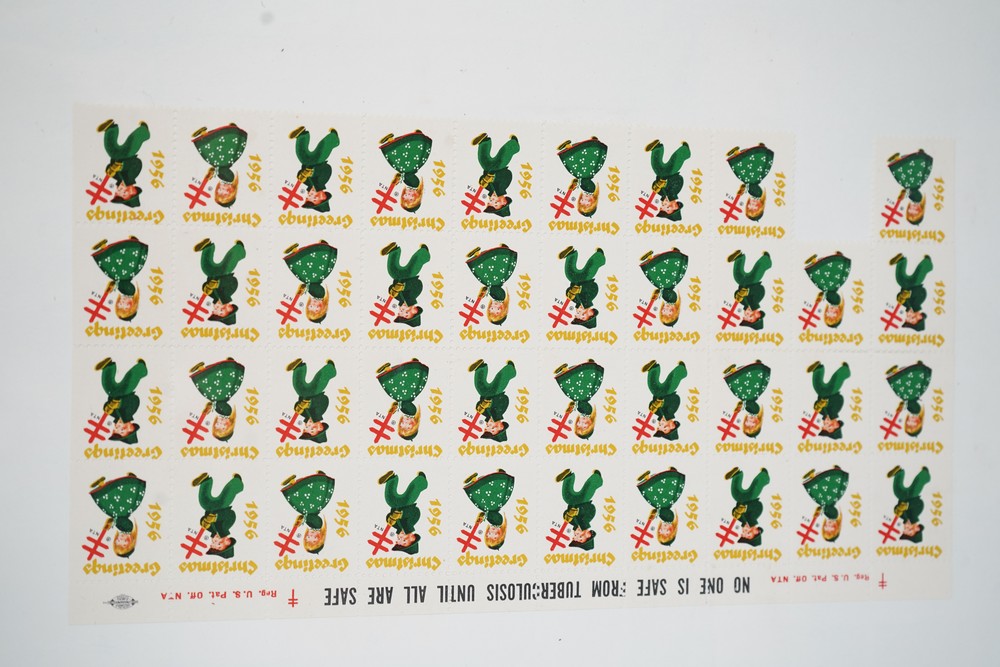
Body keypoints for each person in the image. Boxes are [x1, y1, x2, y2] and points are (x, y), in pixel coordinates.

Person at [91, 237, 149, 321]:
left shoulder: (124, 292)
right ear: (131, 305)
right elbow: (123, 283)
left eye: (118, 306)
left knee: (111, 263)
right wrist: (115, 285)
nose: (120, 303)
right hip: (123, 273)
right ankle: (132, 243)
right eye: (124, 307)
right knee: (114, 261)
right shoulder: (130, 291)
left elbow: (118, 284)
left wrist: (112, 286)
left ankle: (104, 247)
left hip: (120, 275)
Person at [89, 473, 146, 559]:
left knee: (109, 500)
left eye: (117, 542)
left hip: (118, 512)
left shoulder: (122, 529)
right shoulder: (128, 528)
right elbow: (122, 520)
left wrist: (111, 523)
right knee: (115, 497)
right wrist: (114, 522)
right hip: (121, 510)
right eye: (123, 543)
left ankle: (102, 484)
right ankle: (130, 480)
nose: (119, 540)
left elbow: (117, 521)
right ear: (130, 541)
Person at [191, 124, 248, 208]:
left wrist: (212, 173)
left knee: (212, 150)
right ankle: (229, 131)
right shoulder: (230, 178)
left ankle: (205, 135)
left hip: (221, 160)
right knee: (215, 150)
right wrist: (216, 172)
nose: (221, 190)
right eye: (224, 193)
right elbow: (223, 170)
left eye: (218, 192)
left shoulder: (225, 179)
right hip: (224, 159)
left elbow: (218, 170)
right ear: (232, 192)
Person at [96, 119, 150, 208]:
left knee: (111, 149)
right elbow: (137, 163)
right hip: (128, 154)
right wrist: (122, 166)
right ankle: (144, 131)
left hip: (116, 155)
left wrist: (109, 170)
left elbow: (110, 167)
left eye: (117, 193)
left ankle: (110, 128)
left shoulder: (117, 177)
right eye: (124, 193)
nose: (119, 190)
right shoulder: (133, 175)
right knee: (132, 141)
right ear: (132, 191)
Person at [189, 358, 245, 441]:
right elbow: (221, 405)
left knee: (209, 385)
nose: (220, 423)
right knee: (212, 384)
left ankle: (202, 369)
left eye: (217, 424)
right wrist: (214, 405)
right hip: (221, 395)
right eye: (223, 426)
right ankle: (227, 365)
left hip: (218, 396)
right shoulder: (227, 412)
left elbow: (217, 405)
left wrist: (210, 407)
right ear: (230, 424)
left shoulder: (220, 413)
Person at [282, 241, 338, 323]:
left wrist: (303, 289)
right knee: (306, 264)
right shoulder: (320, 295)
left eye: (311, 307)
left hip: (310, 278)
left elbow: (309, 287)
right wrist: (306, 288)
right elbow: (315, 287)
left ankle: (296, 251)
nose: (314, 305)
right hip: (314, 277)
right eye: (317, 309)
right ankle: (320, 247)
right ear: (323, 307)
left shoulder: (314, 295)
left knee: (302, 266)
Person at [280, 471, 336, 555]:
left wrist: (301, 520)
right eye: (314, 539)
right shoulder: (318, 525)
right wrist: (304, 519)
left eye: (308, 537)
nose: (311, 536)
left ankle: (293, 483)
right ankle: (319, 477)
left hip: (307, 509)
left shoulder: (311, 526)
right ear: (321, 537)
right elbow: (312, 518)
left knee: (299, 498)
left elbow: (307, 518)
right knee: (307, 495)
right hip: (311, 507)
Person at [194, 238, 247, 326]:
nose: (216, 309)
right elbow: (233, 281)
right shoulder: (230, 291)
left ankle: (207, 247)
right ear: (229, 307)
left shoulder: (213, 296)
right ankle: (240, 249)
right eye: (221, 311)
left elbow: (205, 285)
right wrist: (218, 283)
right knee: (230, 258)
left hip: (211, 273)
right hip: (224, 271)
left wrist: (206, 288)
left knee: (206, 267)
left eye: (215, 311)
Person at [95, 357, 147, 444]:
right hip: (125, 391)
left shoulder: (115, 414)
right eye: (121, 431)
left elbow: (107, 405)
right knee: (130, 379)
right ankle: (142, 368)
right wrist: (119, 404)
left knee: (108, 386)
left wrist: (107, 408)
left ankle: (108, 367)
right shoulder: (130, 412)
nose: (116, 427)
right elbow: (134, 400)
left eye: (114, 430)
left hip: (112, 393)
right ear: (130, 428)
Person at [192, 472, 244, 559]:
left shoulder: (211, 529)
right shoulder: (227, 525)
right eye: (219, 544)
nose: (215, 541)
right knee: (227, 494)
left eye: (213, 543)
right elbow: (231, 514)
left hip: (209, 507)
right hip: (222, 505)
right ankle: (237, 482)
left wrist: (203, 522)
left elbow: (203, 519)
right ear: (227, 541)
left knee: (204, 501)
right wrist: (216, 517)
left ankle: (205, 481)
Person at [378, 130, 433, 213]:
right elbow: (409, 176)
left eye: (405, 197)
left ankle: (391, 141)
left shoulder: (409, 184)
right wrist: (402, 177)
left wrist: (398, 180)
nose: (408, 195)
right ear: (418, 197)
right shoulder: (415, 184)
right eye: (411, 198)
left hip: (406, 168)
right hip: (408, 167)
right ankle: (394, 140)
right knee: (402, 155)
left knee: (399, 156)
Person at [376, 359, 430, 442]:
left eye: (402, 426)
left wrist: (395, 408)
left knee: (395, 385)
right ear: (415, 424)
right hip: (406, 395)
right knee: (399, 384)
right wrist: (400, 405)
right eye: (408, 426)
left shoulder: (406, 412)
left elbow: (401, 405)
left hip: (403, 396)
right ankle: (411, 366)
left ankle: (389, 369)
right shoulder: (412, 412)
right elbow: (406, 405)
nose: (405, 423)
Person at [289, 126, 340, 213]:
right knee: (322, 147)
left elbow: (301, 172)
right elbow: (327, 169)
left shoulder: (308, 183)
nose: (309, 196)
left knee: (302, 155)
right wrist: (312, 172)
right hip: (318, 160)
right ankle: (334, 139)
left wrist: (300, 176)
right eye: (313, 199)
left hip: (306, 161)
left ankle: (302, 135)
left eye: (307, 198)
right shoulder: (322, 181)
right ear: (322, 196)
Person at [465, 245, 518, 326]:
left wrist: (484, 292)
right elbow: (495, 290)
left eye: (491, 309)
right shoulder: (501, 297)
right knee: (489, 268)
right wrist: (488, 290)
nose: (493, 307)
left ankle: (477, 255)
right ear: (503, 308)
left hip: (492, 281)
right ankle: (482, 254)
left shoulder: (495, 297)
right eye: (497, 310)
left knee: (484, 270)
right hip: (495, 280)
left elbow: (490, 289)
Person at [382, 242, 431, 327]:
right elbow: (417, 284)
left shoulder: (398, 297)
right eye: (406, 313)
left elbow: (391, 287)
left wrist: (392, 290)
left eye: (400, 312)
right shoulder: (415, 294)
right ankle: (424, 252)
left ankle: (394, 251)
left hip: (397, 276)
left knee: (392, 270)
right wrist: (403, 287)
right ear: (414, 310)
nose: (402, 310)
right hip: (410, 275)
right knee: (414, 264)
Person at [463, 470, 515, 551]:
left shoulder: (493, 522)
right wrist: (485, 516)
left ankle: (475, 480)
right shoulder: (498, 522)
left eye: (489, 534)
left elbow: (487, 514)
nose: (492, 532)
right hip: (492, 505)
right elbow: (492, 515)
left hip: (489, 506)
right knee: (487, 494)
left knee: (481, 496)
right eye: (495, 536)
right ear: (501, 534)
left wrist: (482, 517)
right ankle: (497, 476)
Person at [287, 359, 337, 442]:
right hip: (315, 392)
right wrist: (310, 403)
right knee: (319, 380)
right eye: (312, 430)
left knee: (298, 386)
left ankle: (299, 367)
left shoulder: (305, 414)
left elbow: (298, 404)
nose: (308, 426)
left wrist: (297, 407)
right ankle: (330, 369)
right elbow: (324, 400)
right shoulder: (320, 411)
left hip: (303, 393)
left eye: (305, 428)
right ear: (320, 427)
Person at [556, 137, 608, 218]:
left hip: (582, 174)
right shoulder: (592, 189)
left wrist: (575, 184)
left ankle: (568, 147)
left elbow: (580, 182)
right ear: (593, 201)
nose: (584, 200)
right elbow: (586, 182)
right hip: (586, 172)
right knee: (581, 161)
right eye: (587, 202)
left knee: (575, 162)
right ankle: (591, 144)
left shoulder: (585, 189)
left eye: (582, 201)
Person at [379, 470, 428, 554]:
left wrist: (389, 519)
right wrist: (401, 514)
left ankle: (391, 479)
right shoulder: (412, 521)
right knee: (410, 494)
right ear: (412, 538)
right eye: (404, 540)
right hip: (407, 503)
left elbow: (388, 516)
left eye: (398, 539)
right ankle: (422, 480)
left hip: (395, 505)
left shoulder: (397, 526)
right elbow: (415, 511)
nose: (401, 537)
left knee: (390, 499)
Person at [554, 360, 605, 440]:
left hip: (580, 397)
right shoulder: (588, 411)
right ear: (591, 424)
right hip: (582, 395)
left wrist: (572, 407)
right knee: (577, 385)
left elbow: (578, 405)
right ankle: (585, 367)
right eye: (585, 426)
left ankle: (565, 370)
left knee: (572, 386)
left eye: (579, 425)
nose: (582, 423)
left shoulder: (582, 412)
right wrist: (575, 405)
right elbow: (582, 404)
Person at [472, 133, 520, 217]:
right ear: (504, 202)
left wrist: (482, 181)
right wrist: (493, 178)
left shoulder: (489, 188)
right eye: (496, 203)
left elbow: (482, 177)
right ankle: (514, 144)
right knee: (503, 154)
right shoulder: (504, 186)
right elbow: (508, 174)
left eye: (490, 202)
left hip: (487, 167)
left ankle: (484, 142)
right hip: (499, 166)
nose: (492, 200)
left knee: (483, 159)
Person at [469, 359, 517, 442]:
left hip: (484, 393)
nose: (489, 427)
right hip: (496, 391)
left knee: (480, 386)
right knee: (500, 378)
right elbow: (504, 399)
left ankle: (481, 368)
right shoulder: (500, 411)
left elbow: (478, 403)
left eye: (486, 428)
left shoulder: (485, 413)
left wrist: (479, 407)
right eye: (493, 429)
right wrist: (490, 404)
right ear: (501, 426)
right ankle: (511, 370)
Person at [638, 249, 689, 327]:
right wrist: (660, 292)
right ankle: (656, 258)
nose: (667, 308)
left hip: (664, 284)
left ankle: (651, 258)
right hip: (667, 283)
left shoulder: (667, 299)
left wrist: (657, 294)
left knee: (657, 273)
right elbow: (668, 292)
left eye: (664, 310)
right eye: (670, 311)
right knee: (661, 272)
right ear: (676, 310)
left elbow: (662, 292)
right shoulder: (672, 299)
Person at [636, 468, 686, 546]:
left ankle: (647, 478)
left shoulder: (664, 518)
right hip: (664, 502)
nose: (664, 530)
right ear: (672, 530)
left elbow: (659, 512)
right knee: (658, 491)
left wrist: (654, 514)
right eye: (667, 533)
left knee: (653, 493)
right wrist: (657, 512)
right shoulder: (669, 518)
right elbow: (664, 512)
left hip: (661, 503)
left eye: (661, 532)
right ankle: (669, 474)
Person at [559, 246, 606, 329]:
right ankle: (600, 256)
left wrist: (569, 293)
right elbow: (594, 286)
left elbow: (568, 290)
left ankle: (571, 254)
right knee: (590, 267)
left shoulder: (576, 300)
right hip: (586, 278)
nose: (579, 312)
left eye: (577, 314)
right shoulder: (591, 296)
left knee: (569, 273)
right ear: (591, 312)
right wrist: (580, 289)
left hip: (574, 279)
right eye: (583, 315)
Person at [557, 469, 603, 550]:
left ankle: (568, 477)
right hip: (584, 499)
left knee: (567, 496)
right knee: (587, 489)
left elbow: (565, 513)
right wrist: (578, 511)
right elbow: (591, 508)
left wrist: (567, 515)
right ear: (588, 534)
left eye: (575, 536)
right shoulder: (588, 518)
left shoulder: (573, 522)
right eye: (580, 538)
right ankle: (597, 478)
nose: (577, 534)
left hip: (571, 501)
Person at [725, 143, 774, 221]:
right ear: (761, 206)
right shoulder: (758, 194)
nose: (752, 205)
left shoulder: (754, 195)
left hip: (750, 179)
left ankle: (737, 153)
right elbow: (753, 187)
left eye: (749, 207)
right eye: (755, 207)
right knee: (746, 167)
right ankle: (742, 153)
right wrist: (745, 188)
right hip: (753, 178)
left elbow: (749, 187)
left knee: (744, 168)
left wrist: (743, 189)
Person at [723, 360, 771, 438]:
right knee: (744, 384)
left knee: (740, 386)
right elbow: (750, 404)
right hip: (750, 395)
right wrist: (743, 406)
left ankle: (733, 371)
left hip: (747, 396)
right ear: (757, 422)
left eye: (747, 422)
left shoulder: (750, 411)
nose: (750, 420)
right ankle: (736, 370)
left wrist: (740, 407)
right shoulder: (756, 410)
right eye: (752, 423)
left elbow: (745, 404)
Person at [645, 140, 691, 221]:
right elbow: (679, 179)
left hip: (661, 173)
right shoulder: (675, 191)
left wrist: (655, 186)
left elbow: (655, 182)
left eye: (662, 207)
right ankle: (685, 151)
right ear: (675, 206)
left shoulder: (661, 193)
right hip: (671, 172)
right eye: (668, 209)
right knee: (675, 160)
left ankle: (657, 148)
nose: (663, 206)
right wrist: (665, 184)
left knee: (656, 166)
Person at [641, 361, 687, 440]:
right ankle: (682, 370)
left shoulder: (658, 413)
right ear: (672, 425)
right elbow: (676, 399)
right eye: (665, 427)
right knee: (670, 382)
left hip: (657, 393)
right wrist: (663, 403)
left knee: (653, 386)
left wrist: (651, 406)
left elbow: (652, 402)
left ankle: (653, 368)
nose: (661, 424)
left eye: (659, 426)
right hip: (668, 392)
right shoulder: (671, 411)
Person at [804, 252, 852, 328]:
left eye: (828, 314)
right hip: (831, 285)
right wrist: (824, 295)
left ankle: (815, 262)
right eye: (834, 314)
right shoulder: (837, 300)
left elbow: (826, 294)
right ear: (839, 313)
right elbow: (831, 295)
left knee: (821, 277)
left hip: (828, 286)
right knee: (827, 275)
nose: (831, 311)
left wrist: (821, 296)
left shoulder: (830, 301)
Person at [885, 361, 932, 437]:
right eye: (913, 425)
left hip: (909, 395)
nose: (910, 422)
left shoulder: (912, 411)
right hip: (912, 393)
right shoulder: (918, 410)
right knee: (907, 383)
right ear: (919, 423)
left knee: (902, 386)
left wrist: (901, 407)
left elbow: (907, 404)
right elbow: (911, 403)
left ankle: (895, 372)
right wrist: (904, 406)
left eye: (908, 425)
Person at [802, 467, 850, 543]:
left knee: (819, 491)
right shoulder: (835, 515)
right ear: (837, 526)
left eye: (826, 526)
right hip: (829, 499)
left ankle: (812, 476)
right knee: (823, 489)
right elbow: (829, 509)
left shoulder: (828, 515)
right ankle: (816, 476)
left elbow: (824, 509)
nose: (829, 524)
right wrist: (822, 510)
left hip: (826, 500)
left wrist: (819, 511)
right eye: (832, 526)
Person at [728, 250, 772, 330]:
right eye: (750, 317)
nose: (747, 314)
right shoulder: (757, 299)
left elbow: (736, 293)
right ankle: (767, 260)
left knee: (737, 275)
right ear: (758, 314)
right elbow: (760, 289)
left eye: (745, 316)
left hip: (742, 282)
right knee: (757, 270)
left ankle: (739, 258)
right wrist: (748, 292)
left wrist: (737, 295)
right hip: (753, 281)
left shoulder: (743, 302)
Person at [887, 150, 934, 225]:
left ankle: (897, 159)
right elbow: (912, 192)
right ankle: (899, 159)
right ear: (921, 210)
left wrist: (903, 195)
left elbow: (909, 192)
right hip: (913, 182)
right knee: (907, 172)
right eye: (916, 210)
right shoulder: (918, 199)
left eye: (910, 210)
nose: (913, 208)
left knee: (903, 174)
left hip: (910, 183)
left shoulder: (913, 200)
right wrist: (905, 195)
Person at [726, 467, 770, 546]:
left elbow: (734, 511)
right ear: (756, 531)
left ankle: (737, 475)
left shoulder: (742, 520)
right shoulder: (756, 514)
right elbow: (758, 505)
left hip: (740, 498)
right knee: (753, 489)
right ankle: (764, 476)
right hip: (751, 497)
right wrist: (745, 508)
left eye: (743, 534)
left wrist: (735, 512)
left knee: (735, 493)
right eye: (748, 534)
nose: (745, 531)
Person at [807, 361, 852, 439]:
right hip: (832, 391)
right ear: (836, 425)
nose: (826, 424)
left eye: (824, 425)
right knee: (835, 380)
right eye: (829, 427)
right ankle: (845, 371)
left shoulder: (822, 412)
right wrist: (826, 403)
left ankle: (818, 369)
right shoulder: (836, 410)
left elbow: (816, 403)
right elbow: (839, 399)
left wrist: (817, 405)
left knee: (818, 386)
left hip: (822, 393)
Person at [890, 253, 934, 331]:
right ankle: (928, 263)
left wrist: (900, 297)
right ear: (920, 316)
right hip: (915, 284)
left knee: (900, 278)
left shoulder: (907, 305)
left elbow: (899, 297)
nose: (909, 315)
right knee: (917, 275)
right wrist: (910, 294)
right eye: (913, 318)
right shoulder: (919, 301)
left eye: (907, 318)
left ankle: (901, 261)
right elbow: (921, 292)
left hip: (905, 285)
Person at [888, 465, 931, 543]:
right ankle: (925, 474)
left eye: (905, 529)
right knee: (916, 485)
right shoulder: (916, 513)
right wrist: (907, 506)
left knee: (897, 490)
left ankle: (899, 473)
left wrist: (896, 509)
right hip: (912, 495)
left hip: (902, 497)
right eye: (910, 530)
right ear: (917, 528)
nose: (906, 527)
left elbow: (896, 508)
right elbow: (919, 503)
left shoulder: (904, 517)